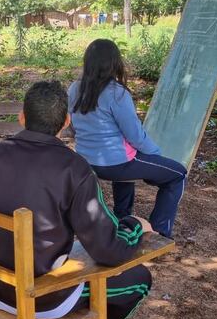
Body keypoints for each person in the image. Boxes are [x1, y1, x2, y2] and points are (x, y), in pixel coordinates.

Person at [0, 80, 154, 319]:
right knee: (139, 278)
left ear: (22, 117)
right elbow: (108, 251)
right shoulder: (74, 169)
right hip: (40, 296)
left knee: (70, 251)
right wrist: (135, 227)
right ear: (66, 122)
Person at [68, 39, 187, 238]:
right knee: (177, 175)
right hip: (116, 164)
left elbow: (72, 125)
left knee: (126, 162)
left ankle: (122, 218)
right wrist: (155, 155)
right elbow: (135, 136)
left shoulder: (74, 88)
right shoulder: (116, 93)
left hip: (86, 161)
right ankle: (159, 231)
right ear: (115, 63)